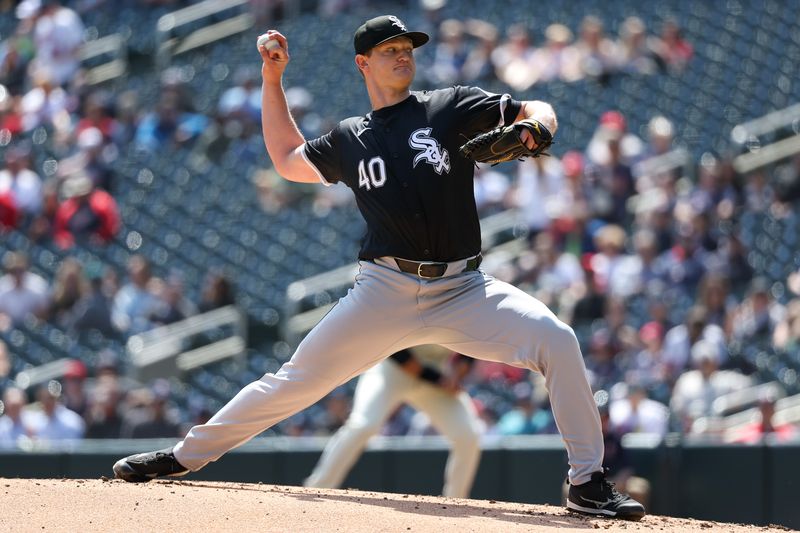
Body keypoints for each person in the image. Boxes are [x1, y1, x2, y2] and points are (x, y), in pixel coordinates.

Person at [112, 15, 644, 520]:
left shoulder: (450, 106)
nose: (402, 56)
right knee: (292, 382)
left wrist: (536, 130)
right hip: (383, 289)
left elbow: (538, 106)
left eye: (407, 49)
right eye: (389, 51)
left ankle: (586, 483)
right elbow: (286, 159)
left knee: (557, 338)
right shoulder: (351, 137)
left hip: (463, 287)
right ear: (362, 64)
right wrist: (271, 79)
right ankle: (186, 456)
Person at [304, 346, 482, 498]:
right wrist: (439, 380)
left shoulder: (464, 305)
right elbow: (399, 355)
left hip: (435, 371)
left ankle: (456, 502)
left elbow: (476, 338)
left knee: (468, 436)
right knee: (364, 425)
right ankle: (316, 488)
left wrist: (460, 371)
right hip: (391, 370)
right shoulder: (408, 304)